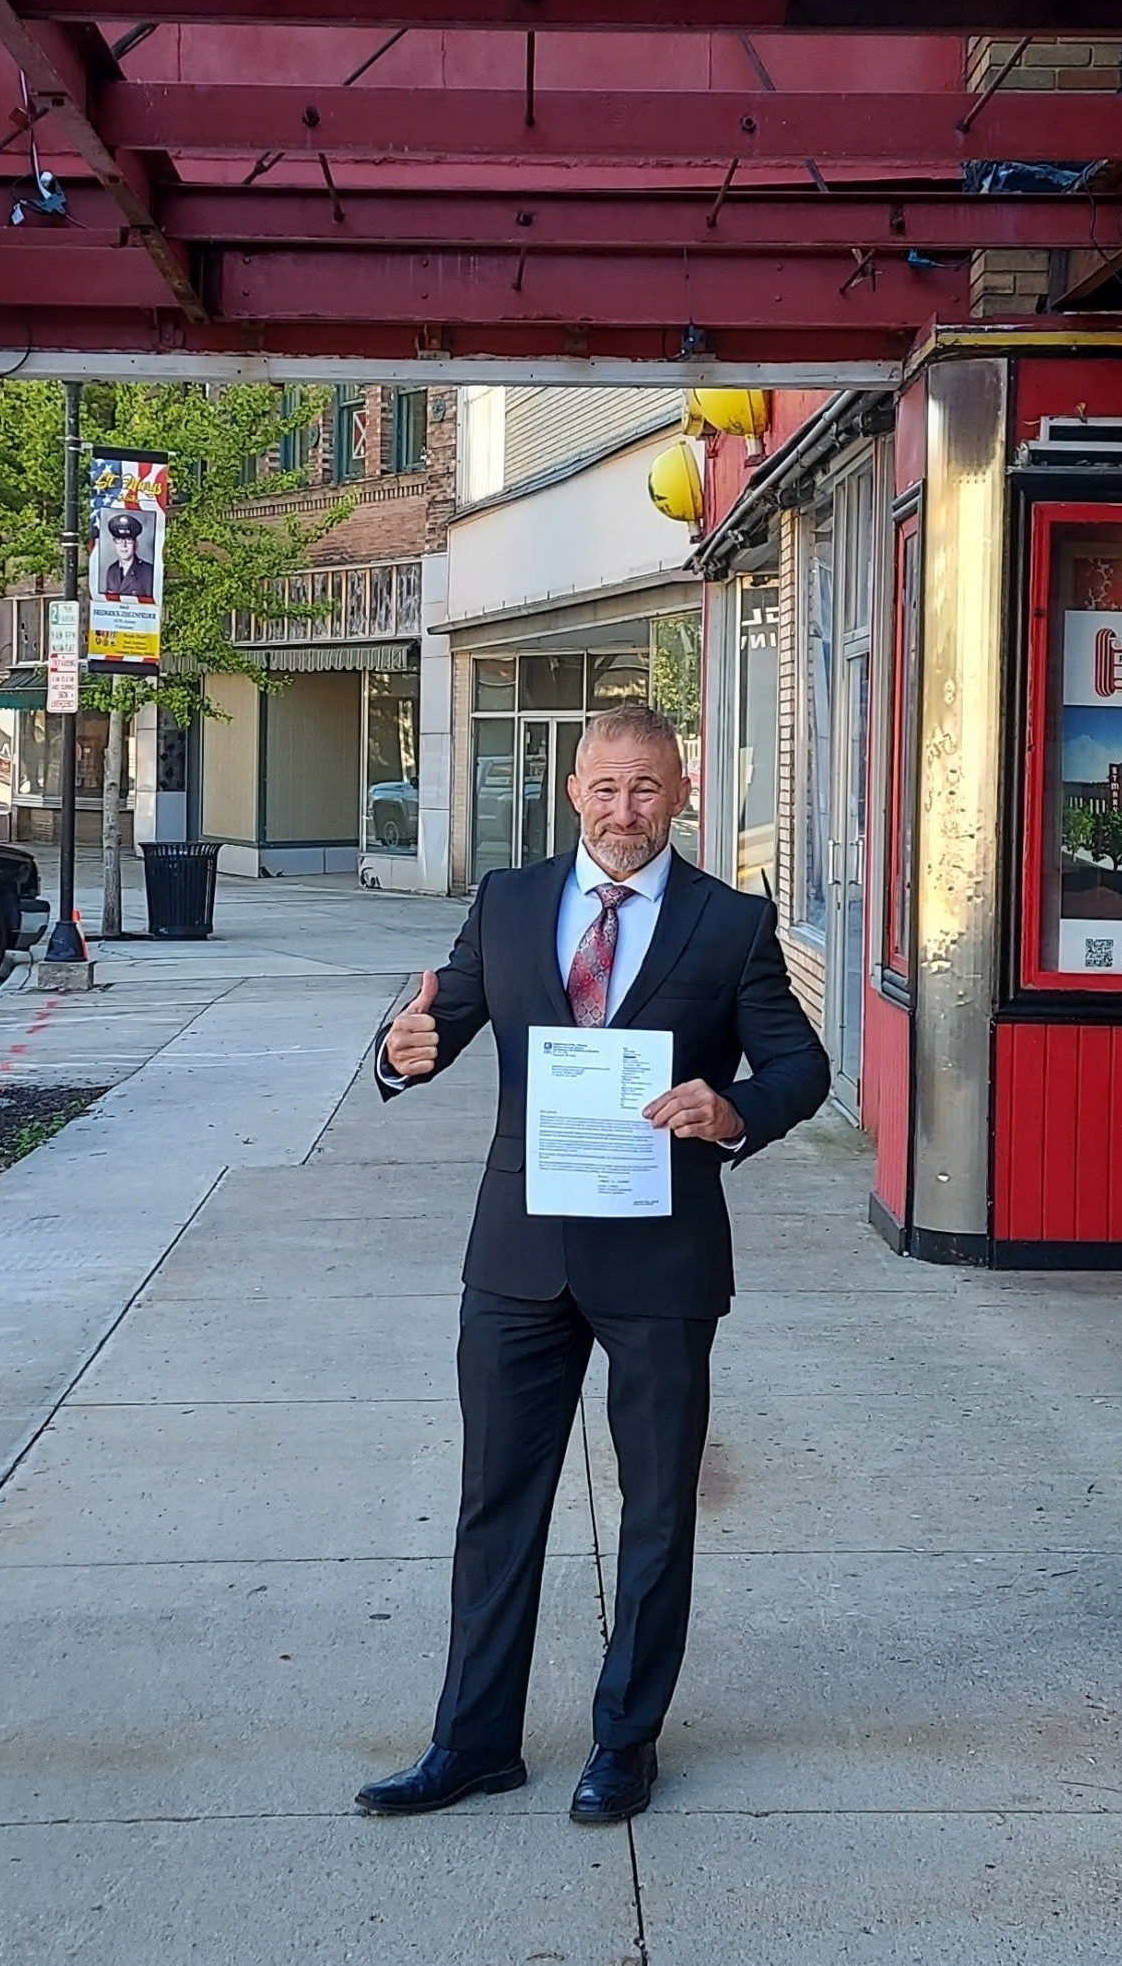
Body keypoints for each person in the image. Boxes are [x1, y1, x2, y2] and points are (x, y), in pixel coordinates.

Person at [355, 700, 829, 1831]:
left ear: (682, 795)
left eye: (647, 788)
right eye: (606, 788)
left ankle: (625, 1742)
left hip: (660, 1258)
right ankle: (474, 1742)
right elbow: (437, 1022)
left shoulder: (729, 923)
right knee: (495, 1501)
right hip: (520, 1252)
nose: (625, 810)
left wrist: (734, 1109)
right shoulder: (509, 901)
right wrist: (400, 1052)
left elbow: (800, 1068)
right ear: (573, 790)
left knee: (657, 1508)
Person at [99, 508, 156, 602]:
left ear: (136, 544)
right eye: (119, 540)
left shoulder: (148, 571)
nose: (123, 545)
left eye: (128, 540)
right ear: (114, 543)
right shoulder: (112, 570)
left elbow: (151, 603)